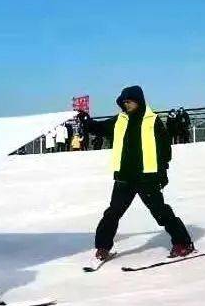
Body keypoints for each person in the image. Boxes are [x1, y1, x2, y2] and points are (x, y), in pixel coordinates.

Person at [78, 86, 194, 260]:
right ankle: (103, 247)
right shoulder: (119, 120)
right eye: (124, 102)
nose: (126, 105)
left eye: (129, 101)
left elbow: (164, 150)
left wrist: (162, 173)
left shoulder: (153, 121)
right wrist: (86, 121)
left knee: (161, 212)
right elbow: (99, 128)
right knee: (112, 213)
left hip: (147, 177)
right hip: (124, 177)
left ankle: (183, 243)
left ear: (138, 100)